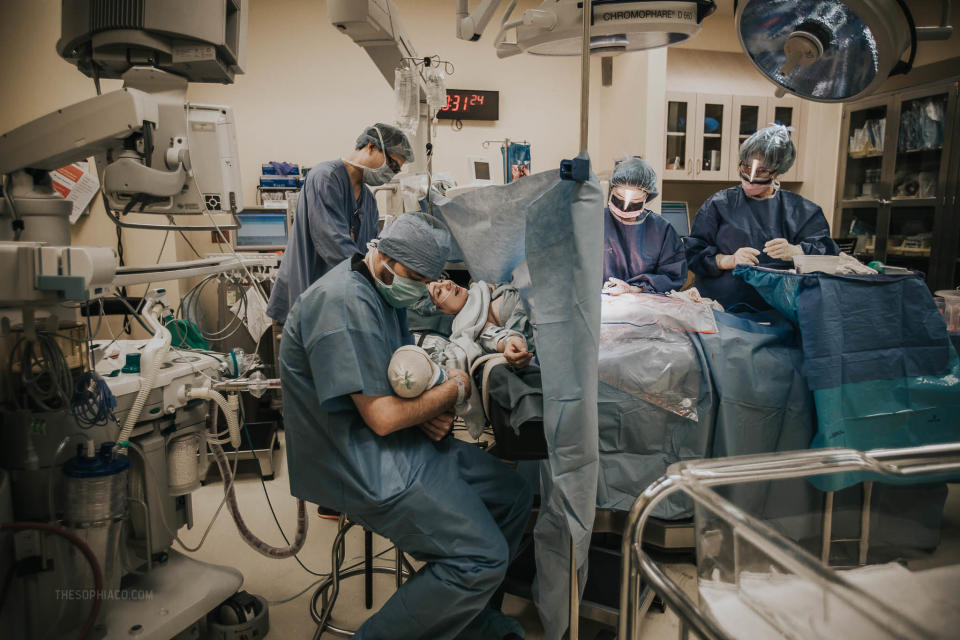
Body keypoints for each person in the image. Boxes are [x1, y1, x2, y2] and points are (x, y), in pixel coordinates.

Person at [279, 213, 532, 640]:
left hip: (401, 439)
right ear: (383, 257)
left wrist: (428, 406)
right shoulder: (341, 303)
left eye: (425, 280)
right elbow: (382, 416)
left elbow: (398, 375)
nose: (418, 289)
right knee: (481, 557)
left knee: (514, 496)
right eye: (413, 278)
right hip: (359, 460)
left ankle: (470, 618)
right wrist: (453, 388)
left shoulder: (383, 294)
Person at [266, 123, 414, 322]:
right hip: (308, 291)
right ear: (371, 146)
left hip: (338, 299)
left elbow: (369, 249)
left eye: (396, 170)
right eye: (392, 164)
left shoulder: (368, 200)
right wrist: (372, 279)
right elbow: (332, 242)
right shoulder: (325, 177)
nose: (392, 173)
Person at [685, 125, 839, 310]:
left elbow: (828, 256)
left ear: (777, 171)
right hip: (723, 307)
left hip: (781, 310)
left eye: (761, 171)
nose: (751, 177)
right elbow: (693, 253)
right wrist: (728, 260)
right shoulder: (719, 204)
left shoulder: (801, 211)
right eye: (746, 167)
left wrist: (797, 251)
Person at [602, 158, 687, 295]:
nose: (624, 210)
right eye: (618, 197)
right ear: (611, 189)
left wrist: (634, 289)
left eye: (634, 202)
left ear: (646, 197)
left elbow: (673, 276)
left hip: (642, 307)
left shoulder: (661, 230)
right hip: (599, 306)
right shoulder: (595, 222)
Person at [426, 279, 534, 368]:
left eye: (441, 280)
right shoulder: (470, 325)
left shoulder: (480, 289)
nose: (447, 284)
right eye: (439, 292)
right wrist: (511, 341)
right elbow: (494, 338)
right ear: (442, 311)